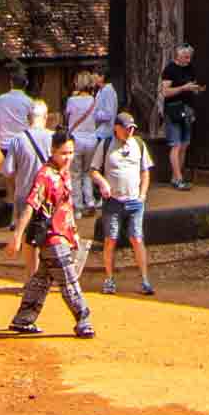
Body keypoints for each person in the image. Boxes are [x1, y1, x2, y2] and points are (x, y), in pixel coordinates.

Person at [5, 130, 94, 338]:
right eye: (64, 153)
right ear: (53, 151)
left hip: (62, 234)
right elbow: (30, 205)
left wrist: (74, 233)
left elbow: (66, 207)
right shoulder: (45, 175)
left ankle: (24, 319)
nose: (68, 157)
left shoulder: (64, 173)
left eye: (71, 152)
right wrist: (17, 236)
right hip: (51, 237)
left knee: (42, 279)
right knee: (68, 280)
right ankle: (83, 320)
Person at [82, 108, 155, 296]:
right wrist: (103, 183)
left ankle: (145, 280)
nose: (130, 131)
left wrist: (142, 195)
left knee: (137, 238)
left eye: (132, 128)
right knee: (110, 239)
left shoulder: (138, 144)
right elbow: (93, 170)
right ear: (116, 128)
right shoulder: (106, 144)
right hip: (113, 202)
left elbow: (145, 172)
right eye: (126, 128)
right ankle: (109, 279)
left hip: (134, 201)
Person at [0, 96, 47, 249]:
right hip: (48, 195)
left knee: (28, 238)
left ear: (28, 118)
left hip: (24, 194)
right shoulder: (54, 138)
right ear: (46, 117)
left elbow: (8, 171)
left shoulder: (18, 140)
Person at [158, 44, 203, 190]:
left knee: (184, 144)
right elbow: (165, 92)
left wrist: (195, 89)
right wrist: (183, 88)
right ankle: (178, 179)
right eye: (185, 57)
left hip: (188, 109)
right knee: (176, 144)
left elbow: (192, 86)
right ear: (178, 56)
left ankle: (175, 176)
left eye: (189, 57)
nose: (188, 60)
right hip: (174, 110)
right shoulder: (170, 69)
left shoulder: (190, 68)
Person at [63, 71, 108, 211]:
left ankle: (78, 205)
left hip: (76, 140)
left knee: (75, 174)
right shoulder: (94, 101)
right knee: (88, 172)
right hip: (91, 140)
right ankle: (90, 201)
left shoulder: (71, 101)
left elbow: (67, 116)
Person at [0, 76, 35, 193]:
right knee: (22, 171)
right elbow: (32, 122)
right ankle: (21, 196)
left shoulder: (1, 99)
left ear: (11, 83)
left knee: (9, 170)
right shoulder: (28, 101)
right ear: (25, 85)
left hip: (5, 142)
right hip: (23, 142)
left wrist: (0, 135)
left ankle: (11, 197)